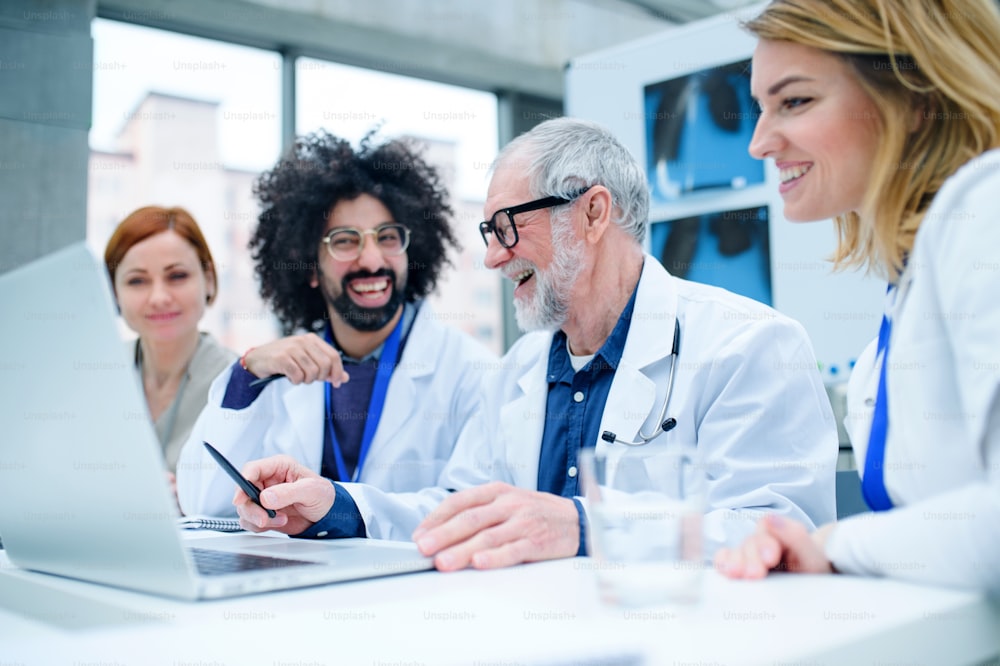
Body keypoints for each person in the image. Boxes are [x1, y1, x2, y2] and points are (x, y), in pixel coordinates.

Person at [230, 117, 839, 570]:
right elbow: (460, 509)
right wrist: (333, 505)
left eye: (507, 227)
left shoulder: (751, 346)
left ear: (594, 213)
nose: (494, 256)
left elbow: (779, 533)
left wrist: (582, 527)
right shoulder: (519, 369)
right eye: (488, 233)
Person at [713, 0, 1000, 594]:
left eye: (795, 101)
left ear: (917, 95)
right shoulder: (897, 314)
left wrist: (834, 546)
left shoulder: (985, 209)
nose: (759, 143)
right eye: (760, 109)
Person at [176, 130, 496, 518]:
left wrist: (343, 511)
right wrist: (248, 374)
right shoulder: (275, 375)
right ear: (310, 266)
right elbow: (201, 504)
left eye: (388, 237)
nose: (372, 260)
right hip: (297, 578)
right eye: (345, 241)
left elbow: (478, 507)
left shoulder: (472, 372)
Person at [104, 206, 237, 497]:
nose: (159, 297)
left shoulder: (239, 383)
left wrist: (191, 500)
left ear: (209, 279)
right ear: (114, 292)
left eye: (176, 276)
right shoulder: (97, 374)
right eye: (137, 281)